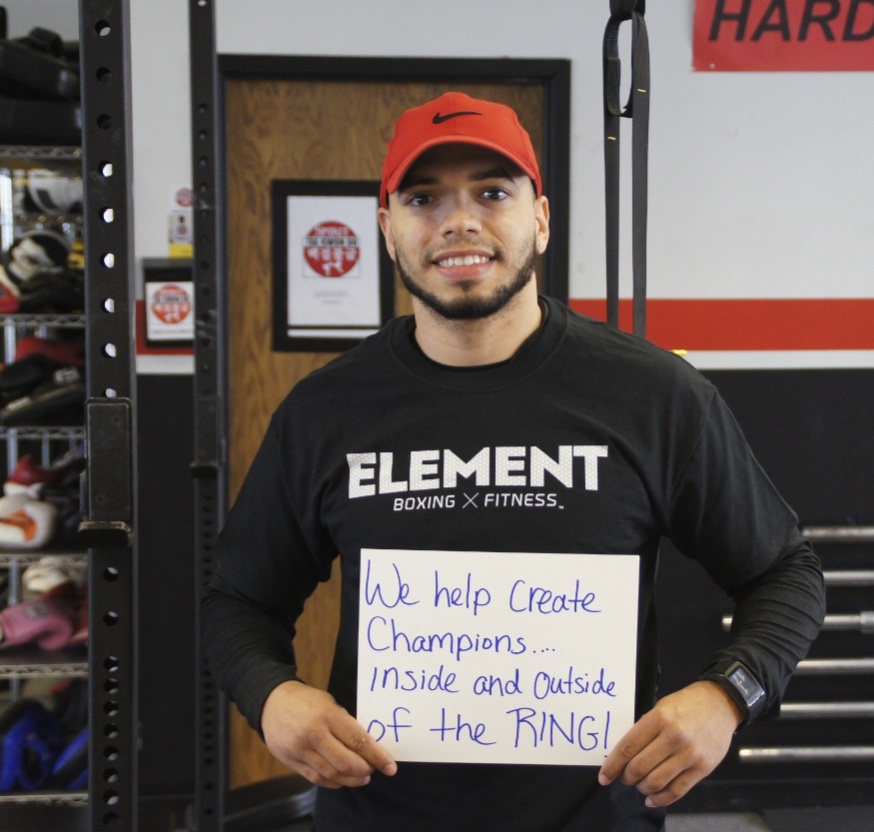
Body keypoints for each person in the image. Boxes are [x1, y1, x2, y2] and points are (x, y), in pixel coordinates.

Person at [201, 91, 825, 831]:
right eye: (423, 198)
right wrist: (272, 697)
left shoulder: (654, 396)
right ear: (388, 230)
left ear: (542, 219)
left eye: (492, 192)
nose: (459, 221)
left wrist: (728, 696)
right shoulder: (324, 410)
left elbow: (785, 572)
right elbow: (237, 599)